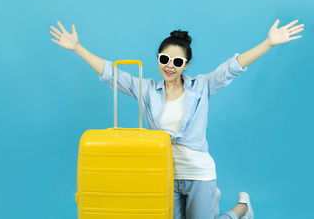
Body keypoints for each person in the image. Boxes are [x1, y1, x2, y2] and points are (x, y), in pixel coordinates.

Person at [50, 19, 304, 219]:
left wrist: (268, 43)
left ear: (186, 64)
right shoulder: (148, 89)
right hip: (165, 174)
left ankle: (241, 210)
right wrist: (77, 48)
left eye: (177, 61)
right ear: (158, 59)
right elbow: (112, 74)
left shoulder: (201, 86)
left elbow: (232, 67)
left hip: (198, 173)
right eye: (164, 59)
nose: (169, 65)